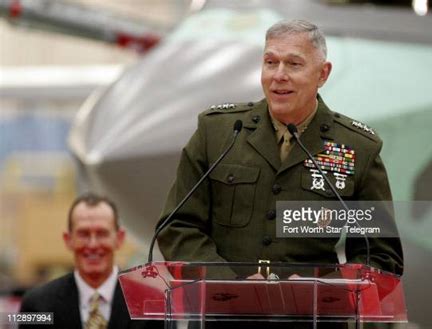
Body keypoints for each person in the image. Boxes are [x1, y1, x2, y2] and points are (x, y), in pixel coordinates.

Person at [157, 19, 403, 327]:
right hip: (223, 319)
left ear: (322, 74)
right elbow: (177, 227)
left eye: (294, 64)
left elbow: (381, 259)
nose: (279, 76)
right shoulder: (218, 132)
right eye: (270, 62)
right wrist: (229, 285)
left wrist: (323, 290)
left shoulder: (357, 148)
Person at [20, 193, 156, 329]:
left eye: (102, 233)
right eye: (83, 234)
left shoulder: (151, 302)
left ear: (119, 238)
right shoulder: (35, 305)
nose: (93, 245)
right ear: (68, 239)